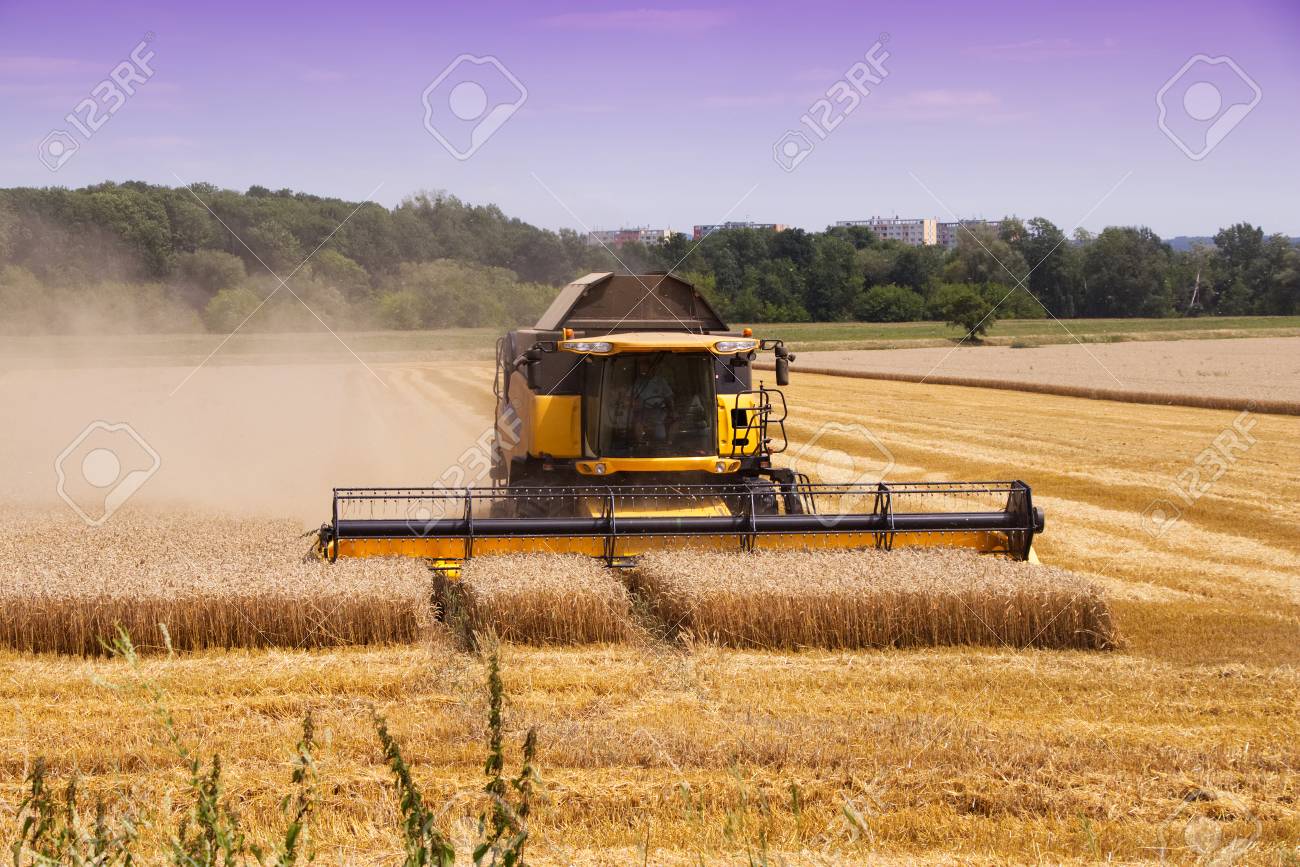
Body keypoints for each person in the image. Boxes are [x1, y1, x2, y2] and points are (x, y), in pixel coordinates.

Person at [631, 357, 674, 444]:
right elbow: (632, 398)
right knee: (637, 422)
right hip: (644, 410)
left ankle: (669, 442)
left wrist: (672, 410)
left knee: (675, 419)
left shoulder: (661, 381)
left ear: (652, 368)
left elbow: (669, 397)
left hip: (661, 410)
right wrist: (635, 405)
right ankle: (641, 443)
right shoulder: (638, 383)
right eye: (642, 369)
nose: (644, 371)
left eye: (645, 368)